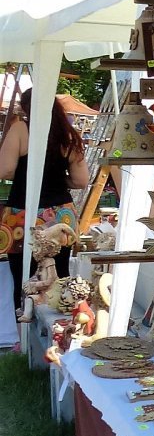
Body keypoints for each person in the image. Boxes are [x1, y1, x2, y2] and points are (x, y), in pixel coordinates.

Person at [0, 90, 89, 317]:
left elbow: (6, 169)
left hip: (23, 215)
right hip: (61, 215)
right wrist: (60, 180)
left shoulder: (21, 129)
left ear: (27, 107)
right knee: (59, 275)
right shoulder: (68, 135)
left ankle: (25, 333)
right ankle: (60, 330)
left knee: (24, 276)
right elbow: (81, 181)